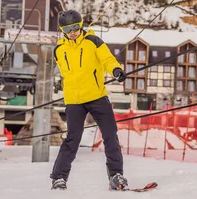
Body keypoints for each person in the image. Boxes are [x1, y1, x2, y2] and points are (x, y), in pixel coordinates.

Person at [50, 10, 128, 191]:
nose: (73, 32)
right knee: (72, 139)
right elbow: (63, 72)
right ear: (62, 30)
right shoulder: (59, 50)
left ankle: (116, 175)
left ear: (81, 25)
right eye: (68, 29)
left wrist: (116, 70)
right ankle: (59, 178)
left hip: (97, 96)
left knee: (110, 135)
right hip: (74, 100)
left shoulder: (93, 41)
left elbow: (107, 59)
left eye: (75, 27)